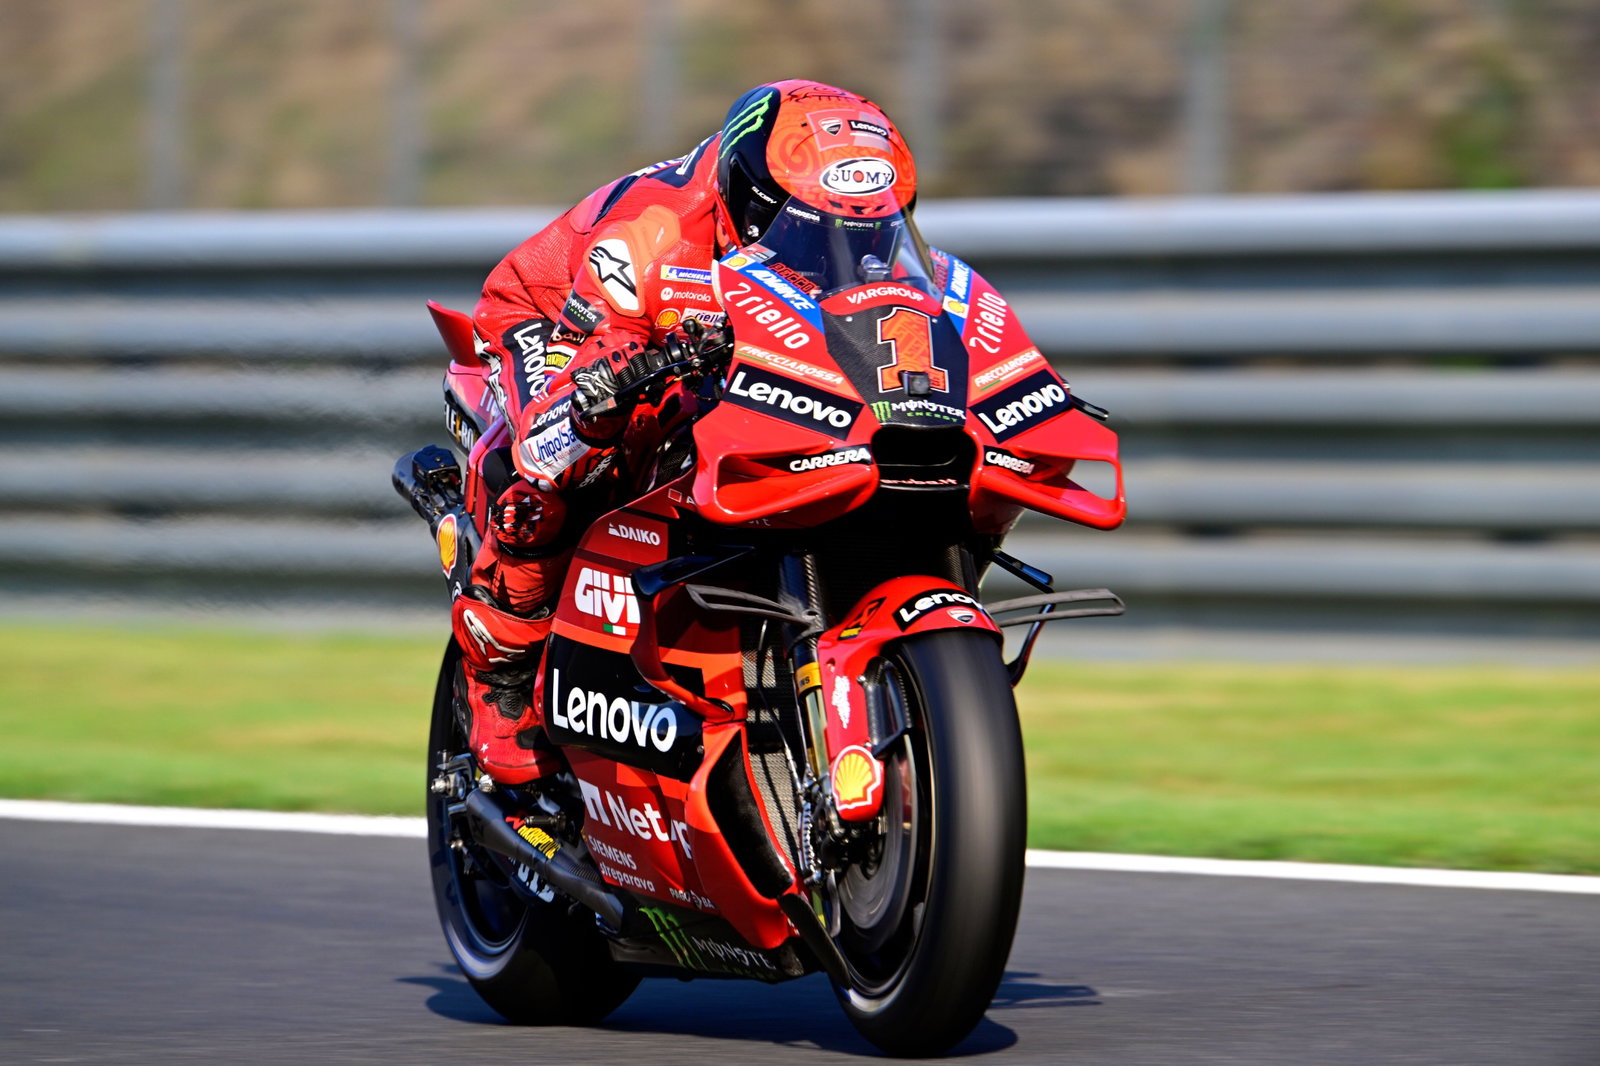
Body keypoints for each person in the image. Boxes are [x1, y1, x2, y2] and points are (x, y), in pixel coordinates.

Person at [450, 79, 919, 783]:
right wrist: (600, 398)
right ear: (751, 201)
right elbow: (569, 405)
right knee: (562, 462)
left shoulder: (849, 221)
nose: (835, 245)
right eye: (809, 226)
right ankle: (501, 680)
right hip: (559, 321)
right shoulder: (653, 233)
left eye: (861, 228)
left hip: (710, 329)